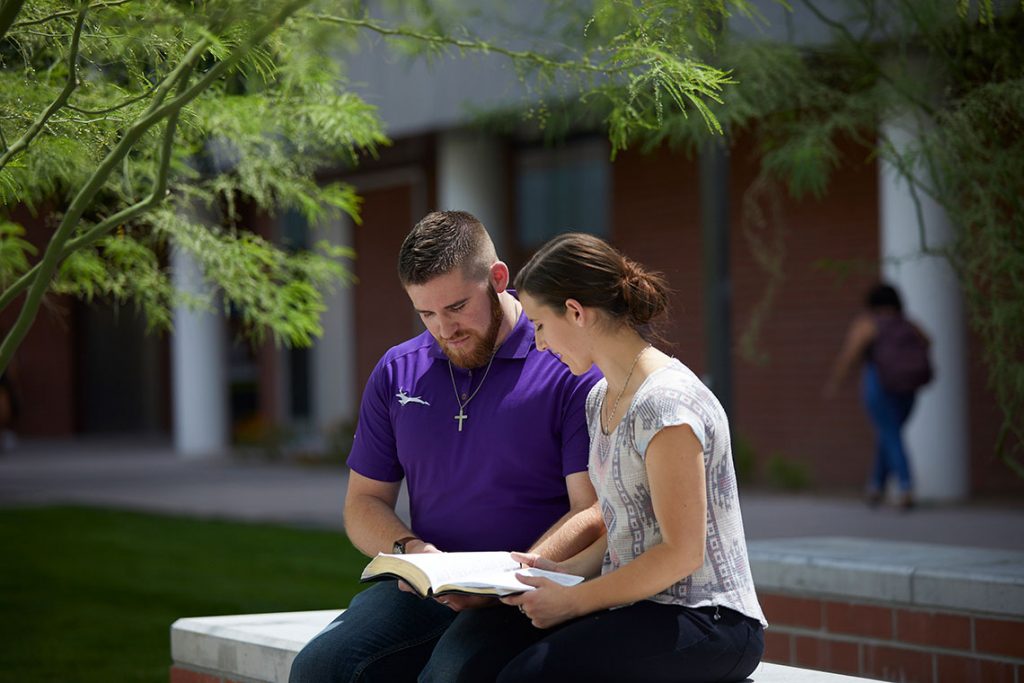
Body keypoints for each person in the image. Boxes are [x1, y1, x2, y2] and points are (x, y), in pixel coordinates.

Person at [289, 211, 603, 683]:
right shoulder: (398, 371)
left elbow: (592, 508)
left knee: (451, 673)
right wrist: (413, 551)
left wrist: (507, 578)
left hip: (529, 587)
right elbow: (363, 502)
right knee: (320, 666)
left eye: (456, 307)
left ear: (498, 278)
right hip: (428, 587)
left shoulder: (565, 363)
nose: (443, 329)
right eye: (426, 313)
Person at [498, 233, 767, 682]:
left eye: (539, 326)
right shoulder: (600, 397)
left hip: (710, 620)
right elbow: (629, 525)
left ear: (576, 312)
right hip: (644, 607)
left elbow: (681, 553)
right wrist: (560, 571)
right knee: (488, 652)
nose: (539, 345)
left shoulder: (666, 405)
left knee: (530, 676)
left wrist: (573, 600)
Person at [823, 283, 931, 509]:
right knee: (889, 435)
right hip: (908, 389)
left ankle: (905, 486)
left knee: (890, 434)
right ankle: (875, 486)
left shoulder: (868, 324)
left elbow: (849, 354)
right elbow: (928, 341)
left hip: (880, 388)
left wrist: (836, 382)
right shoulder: (909, 325)